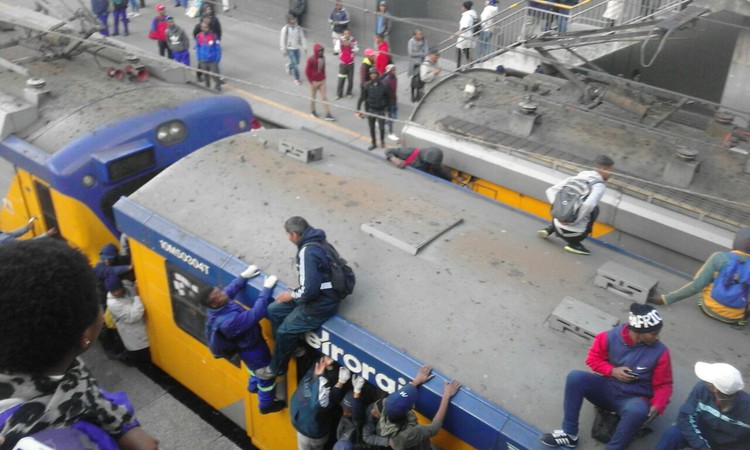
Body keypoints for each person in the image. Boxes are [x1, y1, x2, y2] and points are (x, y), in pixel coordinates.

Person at [0, 239, 159, 450]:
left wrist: (125, 427)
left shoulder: (66, 380)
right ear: (86, 334)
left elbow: (85, 391)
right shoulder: (68, 442)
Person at [541, 303, 673, 449]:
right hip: (607, 389)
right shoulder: (609, 337)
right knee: (575, 378)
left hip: (632, 399)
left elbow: (664, 385)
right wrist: (612, 371)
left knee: (638, 410)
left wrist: (658, 404)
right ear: (638, 331)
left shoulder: (660, 352)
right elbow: (592, 359)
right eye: (654, 334)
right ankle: (569, 434)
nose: (657, 337)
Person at [255, 217, 344, 380]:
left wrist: (293, 294)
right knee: (274, 310)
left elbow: (310, 291)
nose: (288, 238)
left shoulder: (306, 253)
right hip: (320, 293)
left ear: (295, 235)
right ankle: (292, 348)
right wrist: (300, 290)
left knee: (284, 331)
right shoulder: (319, 241)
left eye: (288, 235)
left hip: (321, 304)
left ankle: (276, 368)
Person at [198, 266, 286, 415]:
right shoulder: (228, 322)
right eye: (218, 294)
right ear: (213, 303)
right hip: (254, 350)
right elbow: (257, 313)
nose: (222, 293)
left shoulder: (217, 306)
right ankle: (266, 404)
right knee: (265, 376)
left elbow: (230, 290)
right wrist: (266, 289)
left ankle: (252, 386)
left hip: (247, 349)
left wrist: (243, 277)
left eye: (218, 291)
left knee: (253, 369)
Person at [649, 227, 750, 324]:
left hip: (710, 309)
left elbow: (696, 286)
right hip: (735, 317)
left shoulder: (719, 257)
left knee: (705, 280)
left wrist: (665, 299)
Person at [655, 362, 749, 450]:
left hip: (731, 446)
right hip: (702, 435)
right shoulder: (702, 389)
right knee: (673, 434)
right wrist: (702, 446)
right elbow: (684, 417)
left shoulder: (747, 407)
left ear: (714, 389)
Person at [538, 155, 615, 255]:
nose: (611, 175)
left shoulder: (577, 177)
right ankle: (574, 244)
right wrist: (573, 220)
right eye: (611, 171)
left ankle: (549, 229)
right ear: (605, 169)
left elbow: (550, 191)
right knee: (595, 209)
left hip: (557, 224)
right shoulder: (599, 186)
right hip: (573, 234)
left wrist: (560, 209)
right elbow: (588, 205)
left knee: (564, 202)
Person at [376, 365, 461, 450]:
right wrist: (446, 396)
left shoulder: (387, 404)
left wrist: (416, 381)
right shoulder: (407, 434)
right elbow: (434, 427)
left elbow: (401, 396)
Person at [290, 356, 346, 450]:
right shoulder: (319, 401)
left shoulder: (312, 378)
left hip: (302, 423)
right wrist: (341, 383)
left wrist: (327, 368)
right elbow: (328, 400)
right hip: (311, 432)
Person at [105, 276, 150, 369]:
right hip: (135, 337)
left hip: (142, 331)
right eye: (114, 291)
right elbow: (134, 315)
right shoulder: (113, 304)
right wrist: (136, 296)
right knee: (143, 359)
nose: (117, 293)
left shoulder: (127, 286)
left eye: (118, 289)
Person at [356, 67, 390, 151]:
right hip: (371, 109)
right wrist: (358, 109)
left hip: (381, 110)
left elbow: (388, 98)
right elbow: (362, 98)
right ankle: (373, 143)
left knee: (382, 127)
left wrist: (388, 110)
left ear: (377, 75)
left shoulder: (383, 86)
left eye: (374, 73)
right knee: (372, 128)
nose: (373, 75)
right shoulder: (367, 85)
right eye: (371, 74)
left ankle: (382, 141)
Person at [305, 43, 336, 121]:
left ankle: (327, 114)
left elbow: (323, 69)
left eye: (321, 51)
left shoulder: (323, 58)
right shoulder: (311, 60)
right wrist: (311, 81)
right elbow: (307, 71)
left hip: (322, 81)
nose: (320, 52)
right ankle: (313, 111)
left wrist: (324, 77)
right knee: (313, 97)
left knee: (324, 97)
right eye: (319, 51)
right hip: (314, 82)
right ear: (316, 51)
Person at [385, 147, 455, 181]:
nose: (431, 165)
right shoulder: (410, 152)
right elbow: (389, 151)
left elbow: (440, 169)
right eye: (429, 164)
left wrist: (452, 177)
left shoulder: (433, 163)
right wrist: (394, 159)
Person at [280, 14, 307, 86]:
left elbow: (302, 37)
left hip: (296, 48)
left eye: (295, 19)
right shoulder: (285, 29)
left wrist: (304, 46)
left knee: (297, 62)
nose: (294, 20)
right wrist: (283, 49)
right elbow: (282, 40)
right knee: (295, 65)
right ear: (289, 20)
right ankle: (297, 79)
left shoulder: (298, 28)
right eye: (292, 19)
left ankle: (289, 66)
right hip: (290, 49)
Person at [195, 21, 222, 91]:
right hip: (203, 60)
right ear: (201, 28)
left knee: (216, 74)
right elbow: (197, 48)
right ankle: (207, 87)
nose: (205, 29)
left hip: (212, 60)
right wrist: (199, 58)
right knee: (205, 75)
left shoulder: (213, 36)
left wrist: (217, 59)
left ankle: (218, 87)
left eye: (207, 27)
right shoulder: (198, 37)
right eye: (204, 28)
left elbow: (218, 48)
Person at [335, 29, 358, 99]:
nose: (347, 35)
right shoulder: (339, 41)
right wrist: (341, 46)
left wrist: (352, 47)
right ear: (343, 34)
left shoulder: (353, 41)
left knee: (350, 80)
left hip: (351, 63)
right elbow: (336, 49)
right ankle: (339, 94)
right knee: (341, 79)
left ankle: (349, 93)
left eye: (348, 34)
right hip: (343, 64)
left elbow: (357, 49)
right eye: (345, 34)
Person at [456, 1, 478, 68]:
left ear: (465, 8)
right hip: (468, 37)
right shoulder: (472, 14)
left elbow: (464, 28)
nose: (461, 8)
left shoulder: (467, 16)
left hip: (464, 37)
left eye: (462, 7)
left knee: (460, 51)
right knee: (466, 52)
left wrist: (455, 34)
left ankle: (458, 68)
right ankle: (471, 64)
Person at [381, 64, 398, 141]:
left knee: (394, 117)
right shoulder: (386, 80)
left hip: (393, 100)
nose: (394, 71)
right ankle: (391, 133)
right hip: (388, 102)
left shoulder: (394, 78)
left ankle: (382, 122)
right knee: (391, 117)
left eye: (394, 69)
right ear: (389, 71)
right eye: (393, 70)